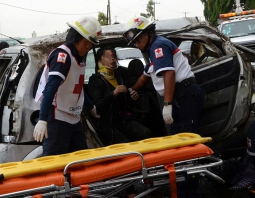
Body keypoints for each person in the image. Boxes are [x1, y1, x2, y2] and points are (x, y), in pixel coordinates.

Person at [123, 16, 204, 198]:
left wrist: (166, 104)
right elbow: (145, 76)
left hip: (184, 96)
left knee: (187, 148)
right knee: (182, 146)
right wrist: (131, 90)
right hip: (181, 97)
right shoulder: (152, 51)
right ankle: (183, 190)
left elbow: (168, 73)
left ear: (149, 33)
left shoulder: (158, 46)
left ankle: (187, 193)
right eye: (134, 42)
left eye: (139, 39)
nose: (137, 44)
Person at [33, 16, 102, 156]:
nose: (88, 47)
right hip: (57, 118)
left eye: (90, 44)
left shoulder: (78, 58)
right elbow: (50, 89)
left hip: (72, 118)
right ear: (75, 38)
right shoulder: (62, 57)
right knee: (55, 163)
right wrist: (43, 119)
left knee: (80, 160)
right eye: (85, 43)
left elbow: (77, 88)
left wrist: (91, 107)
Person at [87, 46, 153, 146]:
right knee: (125, 145)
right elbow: (98, 106)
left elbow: (126, 104)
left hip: (123, 120)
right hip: (108, 124)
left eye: (114, 57)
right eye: (108, 57)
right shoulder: (95, 80)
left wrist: (132, 98)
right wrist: (113, 94)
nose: (112, 59)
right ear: (100, 60)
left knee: (145, 133)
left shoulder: (120, 76)